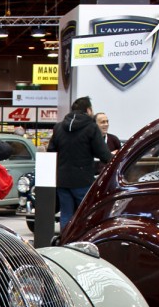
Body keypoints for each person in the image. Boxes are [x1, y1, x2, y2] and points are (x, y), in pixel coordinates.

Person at [46, 97, 114, 231]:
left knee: (66, 213)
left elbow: (51, 150)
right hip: (82, 179)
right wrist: (113, 161)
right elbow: (103, 153)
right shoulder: (91, 127)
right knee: (85, 214)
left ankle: (65, 241)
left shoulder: (59, 127)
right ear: (88, 110)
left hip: (62, 179)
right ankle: (80, 243)